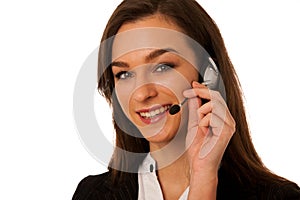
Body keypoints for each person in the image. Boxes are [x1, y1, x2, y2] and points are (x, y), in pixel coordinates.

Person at [73, 0, 300, 199]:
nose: (141, 94)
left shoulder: (279, 197)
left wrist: (204, 179)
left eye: (163, 66)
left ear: (208, 73)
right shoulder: (91, 193)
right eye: (124, 74)